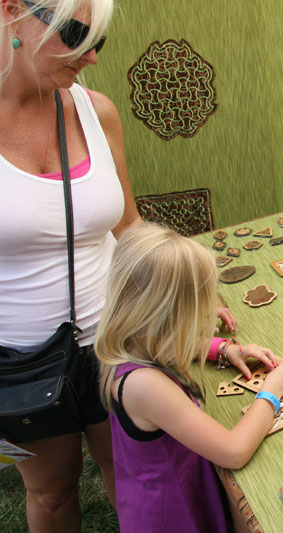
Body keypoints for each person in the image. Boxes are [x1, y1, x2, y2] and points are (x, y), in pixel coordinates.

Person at [0, 0, 143, 530]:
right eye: (78, 33)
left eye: (98, 40)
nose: (91, 57)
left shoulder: (96, 111)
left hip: (114, 339)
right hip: (20, 361)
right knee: (52, 493)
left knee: (128, 469)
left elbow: (127, 225)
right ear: (13, 11)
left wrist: (182, 295)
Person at [95, 223, 283, 533]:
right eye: (203, 308)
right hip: (172, 515)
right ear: (170, 315)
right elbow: (233, 451)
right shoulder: (145, 386)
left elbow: (165, 345)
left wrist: (221, 349)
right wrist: (272, 392)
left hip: (168, 491)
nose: (211, 316)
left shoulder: (129, 341)